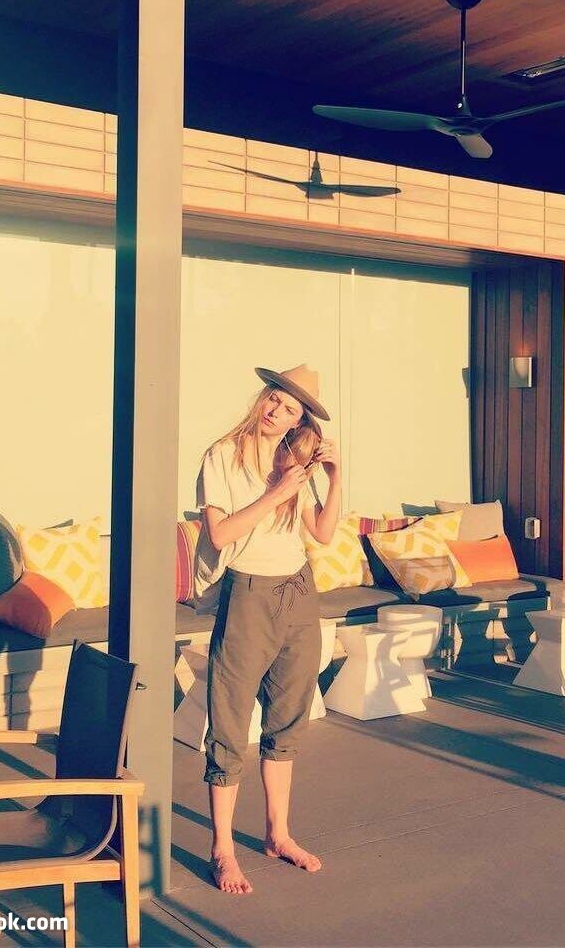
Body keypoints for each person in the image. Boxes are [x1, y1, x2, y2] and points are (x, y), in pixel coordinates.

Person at [195, 364, 341, 895]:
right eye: (274, 399)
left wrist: (336, 477)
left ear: (299, 420)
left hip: (299, 591)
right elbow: (219, 534)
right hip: (248, 593)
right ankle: (223, 849)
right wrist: (276, 494)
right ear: (263, 398)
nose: (277, 412)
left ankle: (278, 834)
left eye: (290, 409)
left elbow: (322, 533)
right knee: (231, 722)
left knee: (287, 718)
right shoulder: (222, 456)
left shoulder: (292, 460)